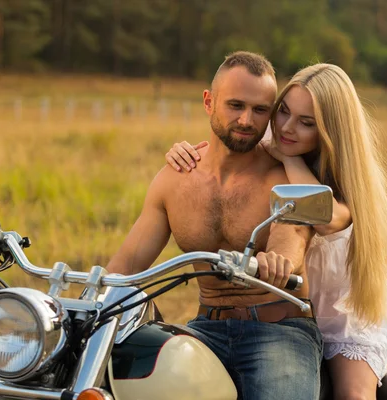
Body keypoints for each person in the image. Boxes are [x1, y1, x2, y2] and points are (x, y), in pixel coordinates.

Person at [164, 63, 387, 400]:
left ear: (330, 130)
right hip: (285, 304)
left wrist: (289, 161)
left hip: (342, 310)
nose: (288, 128)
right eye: (283, 112)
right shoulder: (274, 143)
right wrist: (183, 152)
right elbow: (226, 155)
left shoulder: (338, 176)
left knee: (354, 396)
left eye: (306, 123)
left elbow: (323, 215)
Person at [106, 51, 323, 400]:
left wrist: (278, 261)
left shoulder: (285, 177)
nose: (246, 120)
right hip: (205, 329)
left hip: (279, 332)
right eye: (235, 105)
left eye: (260, 110)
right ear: (209, 102)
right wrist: (87, 303)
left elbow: (291, 241)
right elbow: (127, 266)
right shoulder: (174, 180)